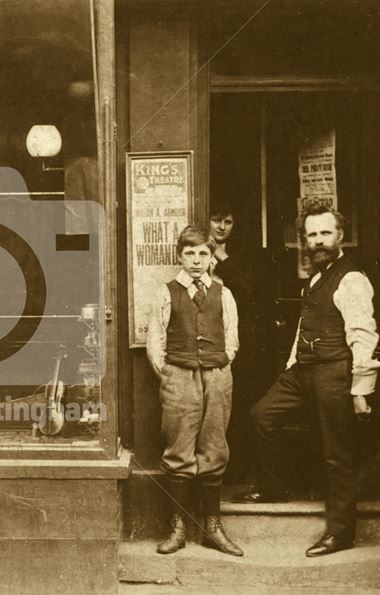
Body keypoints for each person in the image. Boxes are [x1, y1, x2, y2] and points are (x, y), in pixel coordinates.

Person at [236, 201, 380, 557]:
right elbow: (304, 326)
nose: (318, 240)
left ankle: (341, 532)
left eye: (325, 233)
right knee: (261, 416)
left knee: (337, 452)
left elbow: (364, 335)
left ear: (340, 236)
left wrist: (361, 389)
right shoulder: (316, 278)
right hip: (302, 370)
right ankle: (274, 487)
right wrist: (290, 365)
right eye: (312, 234)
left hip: (334, 371)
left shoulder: (352, 279)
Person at [147, 226, 243, 557]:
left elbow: (232, 337)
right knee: (178, 450)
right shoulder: (166, 292)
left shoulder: (222, 293)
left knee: (214, 447)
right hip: (179, 376)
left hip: (216, 375)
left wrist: (219, 364)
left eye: (203, 253)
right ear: (179, 256)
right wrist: (174, 373)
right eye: (190, 253)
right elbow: (156, 342)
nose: (197, 260)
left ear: (212, 257)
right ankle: (178, 528)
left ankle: (212, 527)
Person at [208, 202, 274, 485]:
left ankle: (237, 472)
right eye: (216, 219)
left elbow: (252, 294)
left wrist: (223, 257)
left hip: (239, 344)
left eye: (228, 221)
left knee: (237, 408)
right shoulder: (197, 253)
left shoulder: (240, 256)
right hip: (207, 339)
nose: (222, 227)